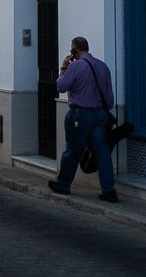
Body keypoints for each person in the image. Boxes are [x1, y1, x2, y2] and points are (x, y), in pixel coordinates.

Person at [48, 36, 118, 203]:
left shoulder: (75, 66)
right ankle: (109, 190)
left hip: (81, 114)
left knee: (73, 149)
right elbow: (109, 98)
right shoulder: (103, 66)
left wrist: (64, 67)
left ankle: (63, 184)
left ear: (74, 51)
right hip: (100, 114)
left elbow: (61, 86)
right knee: (102, 152)